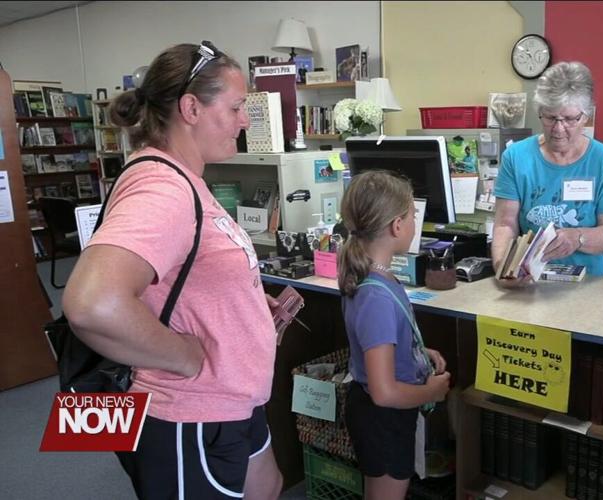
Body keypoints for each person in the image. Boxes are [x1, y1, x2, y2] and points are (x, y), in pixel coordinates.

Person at [62, 41, 283, 499]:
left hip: (234, 399)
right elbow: (92, 303)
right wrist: (185, 355)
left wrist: (238, 302)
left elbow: (182, 277)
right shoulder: (163, 188)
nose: (245, 120)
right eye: (237, 106)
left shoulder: (184, 178)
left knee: (269, 486)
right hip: (190, 411)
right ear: (191, 108)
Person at [337, 170, 451, 500]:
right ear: (397, 226)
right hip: (382, 417)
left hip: (382, 414)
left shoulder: (375, 278)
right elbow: (384, 393)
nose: (415, 223)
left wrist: (416, 350)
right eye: (413, 215)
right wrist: (431, 392)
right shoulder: (376, 296)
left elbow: (378, 339)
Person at [492, 61, 603, 286]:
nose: (558, 129)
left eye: (569, 119)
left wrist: (578, 238)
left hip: (587, 287)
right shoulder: (516, 157)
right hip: (530, 283)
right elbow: (505, 224)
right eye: (550, 118)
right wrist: (504, 266)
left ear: (586, 116)